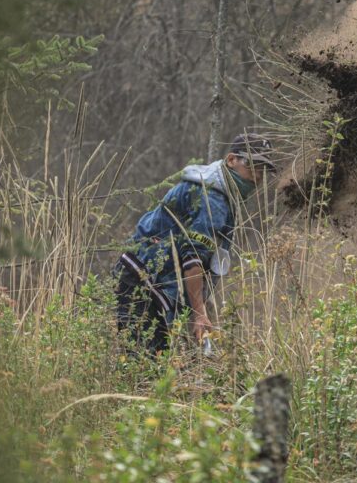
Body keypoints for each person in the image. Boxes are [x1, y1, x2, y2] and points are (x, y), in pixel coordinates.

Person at [113, 133, 276, 353]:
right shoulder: (214, 198)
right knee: (144, 362)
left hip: (144, 277)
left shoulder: (219, 191)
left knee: (154, 362)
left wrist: (197, 306)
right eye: (252, 165)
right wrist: (199, 313)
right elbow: (193, 258)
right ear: (231, 160)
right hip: (145, 281)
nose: (257, 176)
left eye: (263, 170)